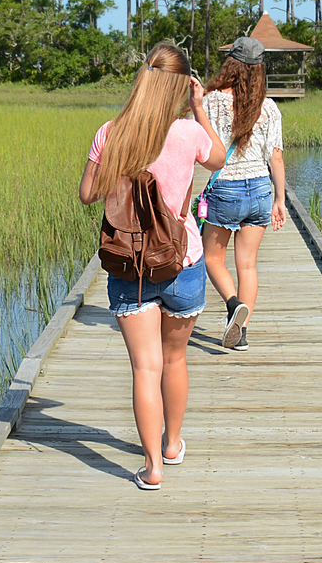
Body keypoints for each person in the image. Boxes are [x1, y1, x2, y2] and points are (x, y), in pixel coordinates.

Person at [78, 42, 228, 490]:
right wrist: (201, 110)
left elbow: (88, 194)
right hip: (183, 261)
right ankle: (172, 443)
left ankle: (151, 468)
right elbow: (219, 158)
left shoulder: (111, 131)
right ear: (182, 87)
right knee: (175, 358)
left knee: (146, 367)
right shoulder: (187, 132)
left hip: (130, 268)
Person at [199, 35, 288, 352]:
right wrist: (280, 200)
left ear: (230, 64)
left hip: (226, 188)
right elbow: (275, 157)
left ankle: (232, 303)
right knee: (247, 265)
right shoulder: (270, 106)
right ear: (259, 69)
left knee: (211, 257)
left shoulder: (210, 100)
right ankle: (242, 333)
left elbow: (201, 148)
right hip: (261, 188)